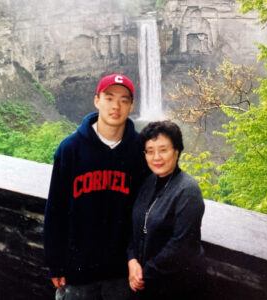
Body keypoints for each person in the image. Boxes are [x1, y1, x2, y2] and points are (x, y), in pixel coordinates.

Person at [44, 73, 146, 300]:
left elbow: (146, 211)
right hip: (77, 271)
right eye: (109, 98)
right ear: (96, 100)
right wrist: (54, 263)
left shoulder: (140, 151)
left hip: (122, 273)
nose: (116, 106)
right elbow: (55, 209)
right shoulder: (70, 149)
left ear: (131, 105)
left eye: (124, 100)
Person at [128, 121, 206, 300]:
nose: (156, 157)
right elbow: (134, 227)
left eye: (163, 150)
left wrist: (142, 274)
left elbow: (181, 245)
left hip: (176, 287)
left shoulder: (188, 190)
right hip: (145, 282)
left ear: (177, 151)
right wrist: (131, 260)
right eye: (150, 151)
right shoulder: (147, 183)